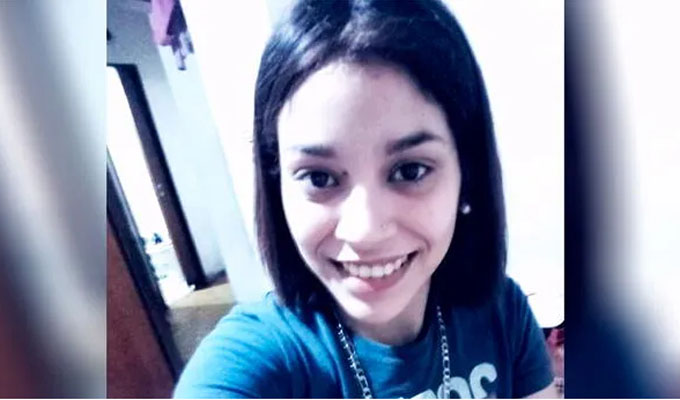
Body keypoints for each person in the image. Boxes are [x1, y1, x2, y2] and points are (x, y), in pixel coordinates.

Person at [175, 0, 556, 397]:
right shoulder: (257, 360)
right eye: (320, 178)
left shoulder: (500, 311)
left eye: (410, 171)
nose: (365, 231)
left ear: (468, 173)